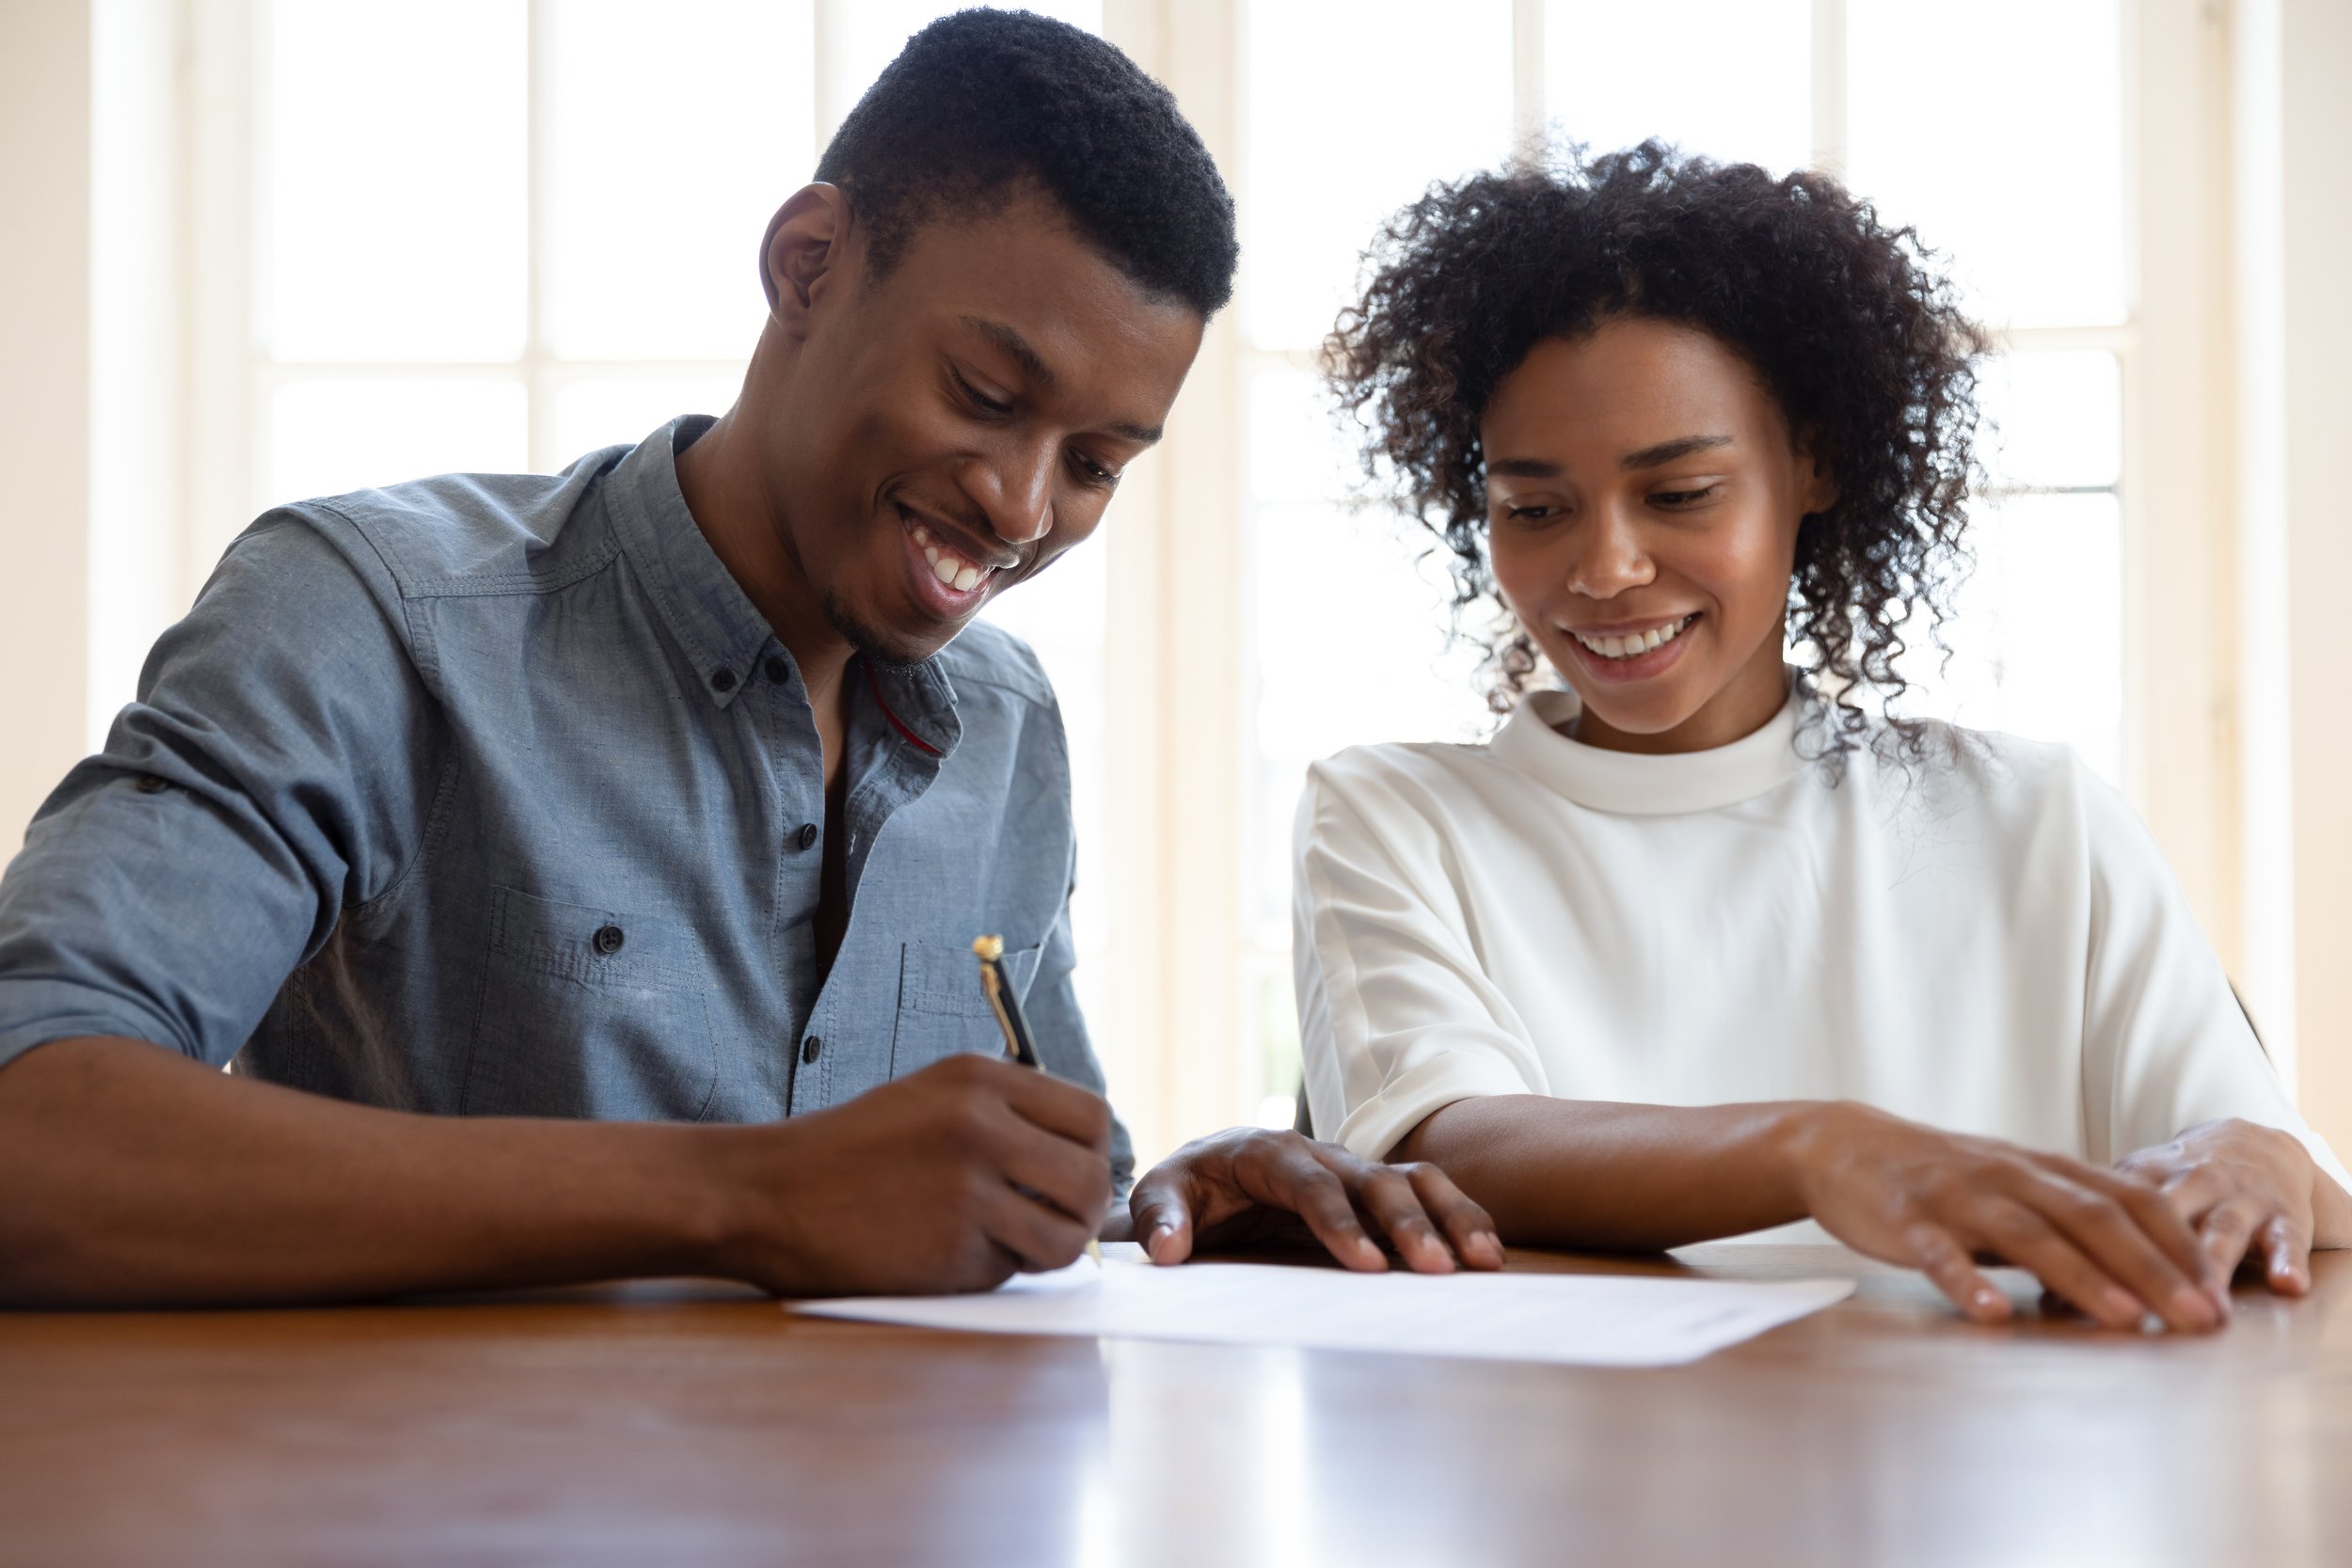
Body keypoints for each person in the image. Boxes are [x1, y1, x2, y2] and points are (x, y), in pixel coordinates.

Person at [0, 11, 1500, 1308]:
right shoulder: (366, 617)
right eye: (985, 392)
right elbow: (32, 1126)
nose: (1024, 507)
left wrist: (1163, 1207)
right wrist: (744, 1193)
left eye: (1100, 462)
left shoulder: (1005, 728)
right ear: (808, 265)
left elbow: (990, 1219)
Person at [1297, 142, 2347, 1333]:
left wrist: (2257, 1155)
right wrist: (1820, 1150)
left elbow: (2272, 1171)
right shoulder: (1394, 815)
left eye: (1680, 493)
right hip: (1565, 1487)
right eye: (1533, 509)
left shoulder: (2031, 814)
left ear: (1813, 463)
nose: (1604, 568)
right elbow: (1441, 1147)